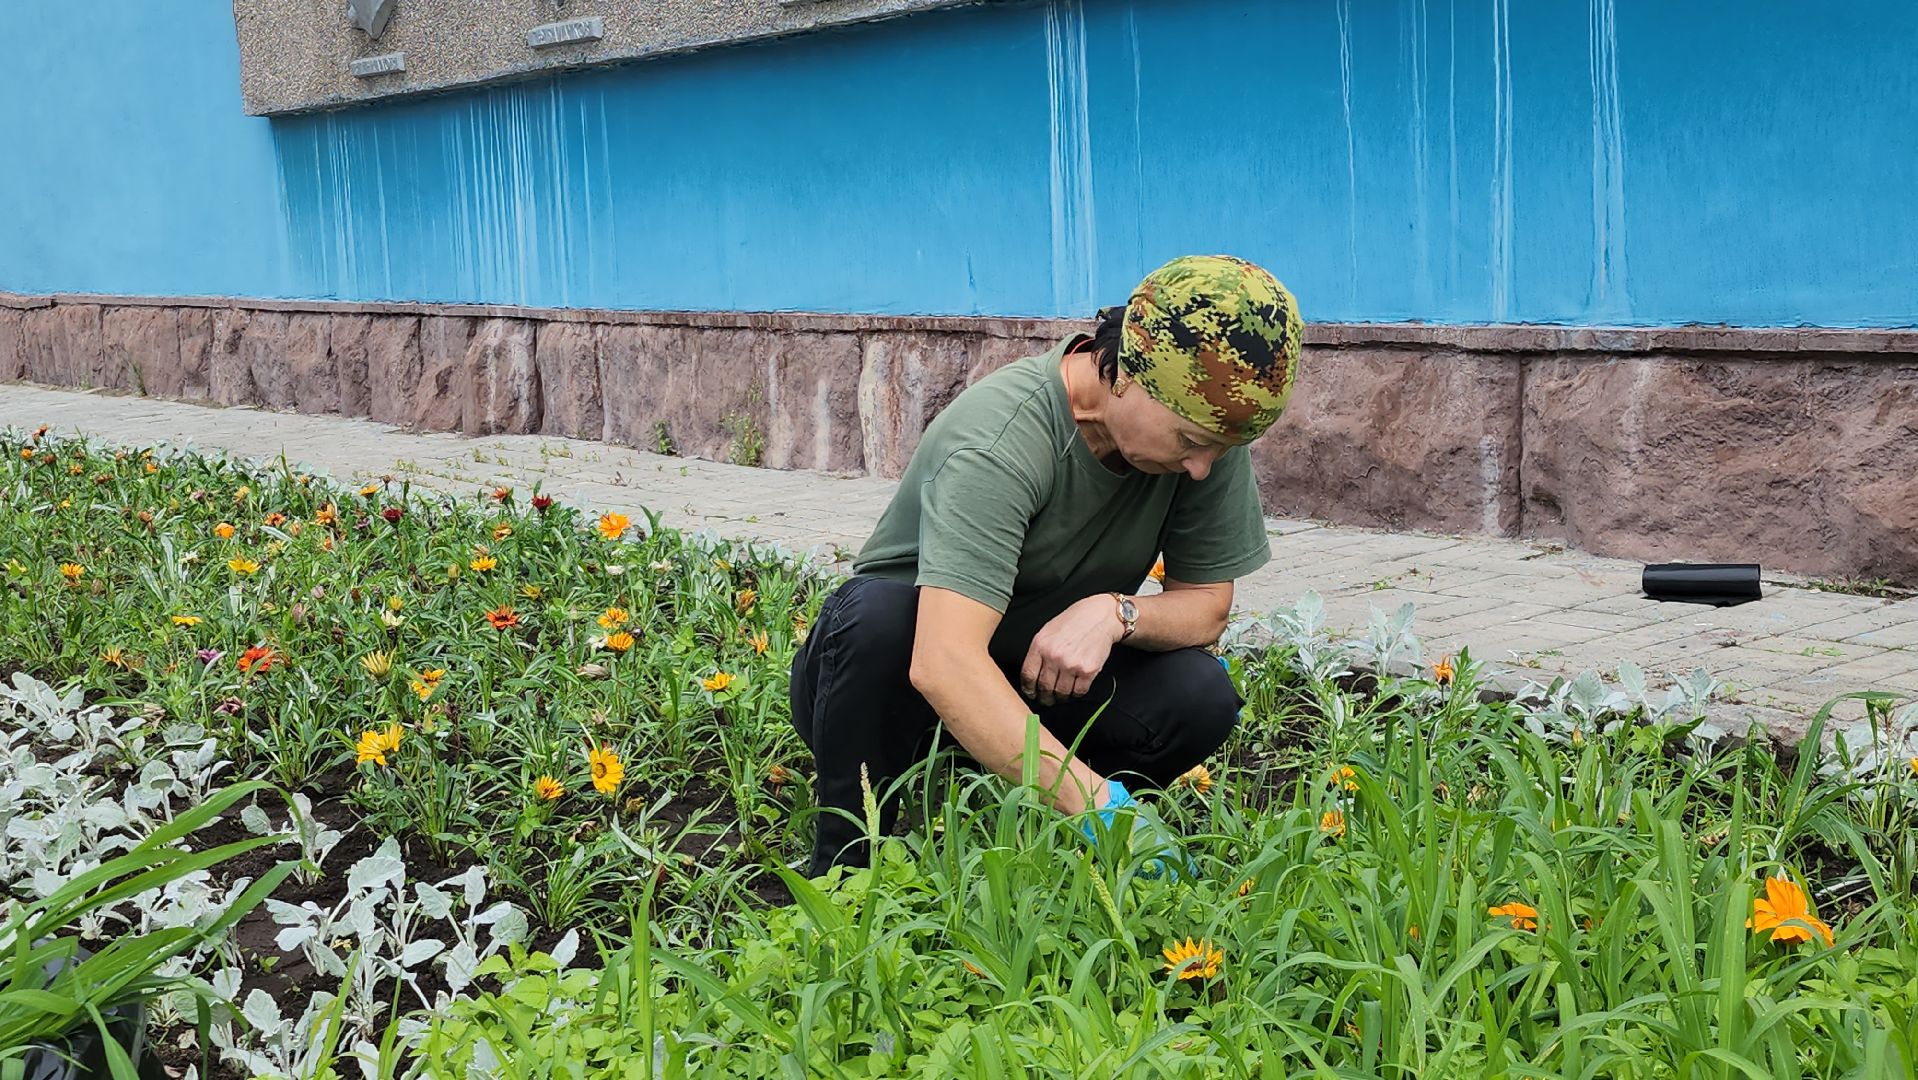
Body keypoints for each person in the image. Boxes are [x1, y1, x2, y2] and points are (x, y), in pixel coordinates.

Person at [788, 255, 1303, 877]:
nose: (1202, 467)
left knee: (1199, 694)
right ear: (1127, 375)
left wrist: (1115, 612)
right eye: (1192, 443)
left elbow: (1207, 605)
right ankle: (845, 872)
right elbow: (943, 662)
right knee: (877, 617)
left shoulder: (1205, 438)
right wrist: (1095, 805)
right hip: (892, 691)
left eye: (1221, 450)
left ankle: (1043, 839)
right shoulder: (1000, 440)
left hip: (1035, 680)